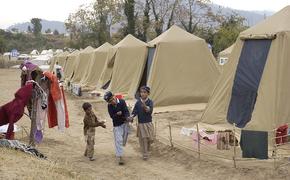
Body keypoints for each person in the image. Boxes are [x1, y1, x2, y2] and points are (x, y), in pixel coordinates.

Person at [104, 91, 130, 165]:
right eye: (110, 101)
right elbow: (112, 116)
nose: (112, 101)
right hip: (117, 125)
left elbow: (126, 111)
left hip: (125, 123)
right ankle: (120, 157)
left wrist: (127, 117)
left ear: (114, 96)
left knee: (123, 140)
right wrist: (116, 114)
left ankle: (119, 152)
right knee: (118, 140)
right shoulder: (109, 106)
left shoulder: (122, 102)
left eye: (112, 99)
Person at [131, 86, 154, 160]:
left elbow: (149, 111)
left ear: (148, 93)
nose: (142, 94)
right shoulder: (138, 102)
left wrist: (145, 106)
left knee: (150, 139)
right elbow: (134, 112)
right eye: (141, 92)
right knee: (143, 139)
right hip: (141, 123)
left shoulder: (150, 102)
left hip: (148, 123)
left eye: (144, 92)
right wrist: (131, 117)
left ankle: (147, 149)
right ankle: (145, 153)